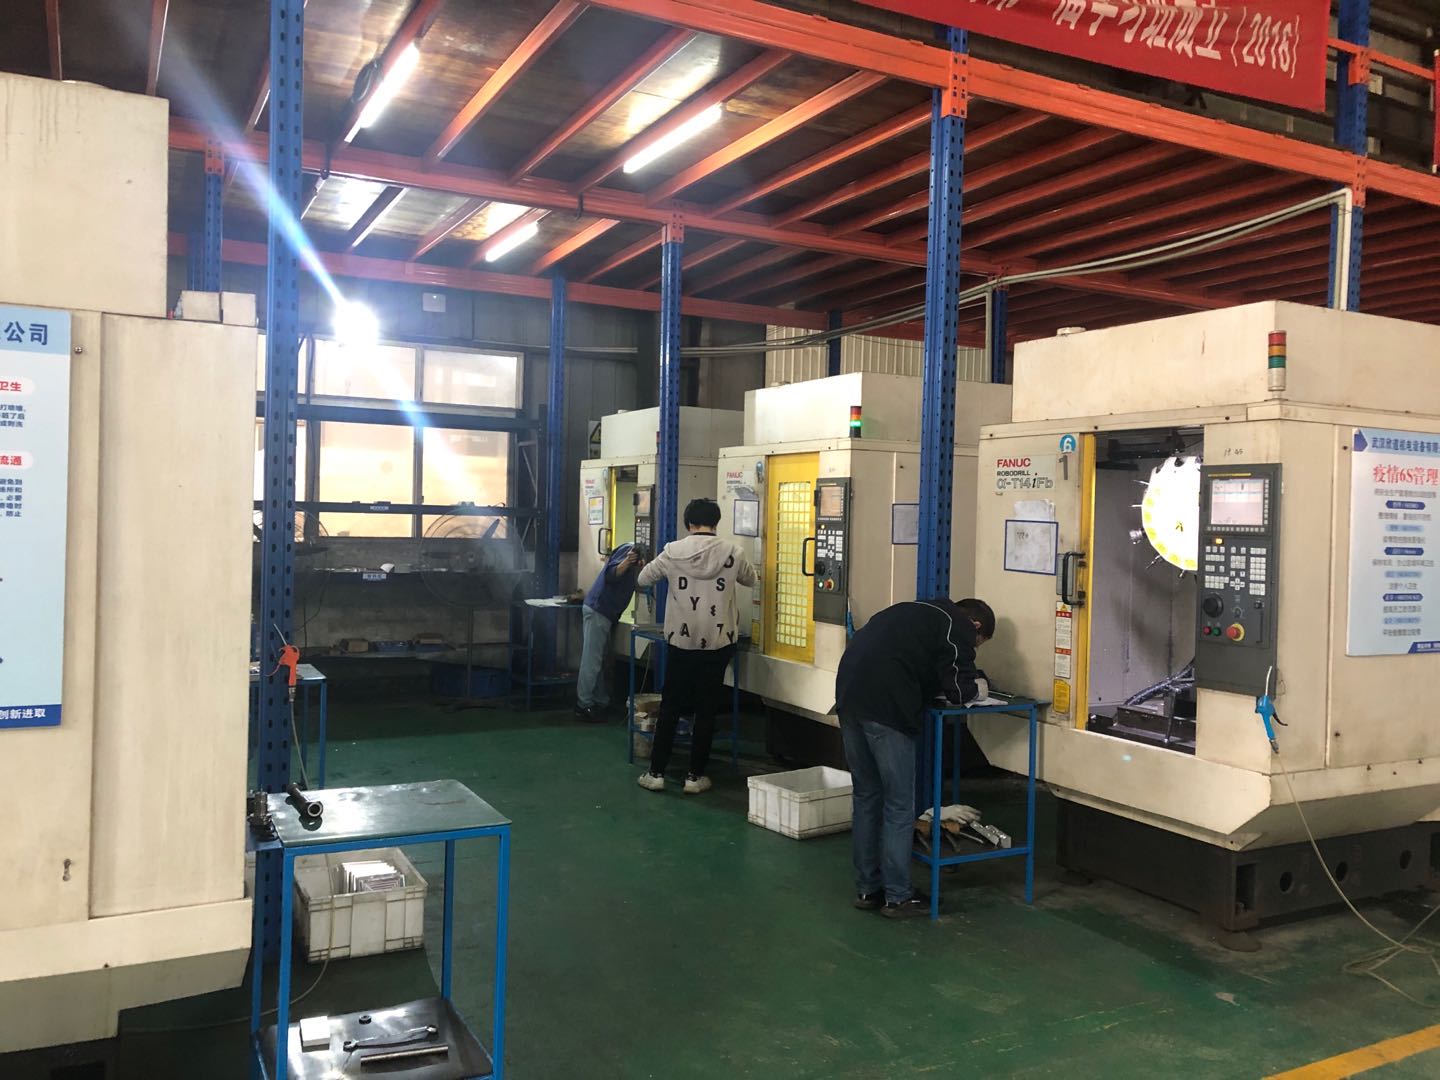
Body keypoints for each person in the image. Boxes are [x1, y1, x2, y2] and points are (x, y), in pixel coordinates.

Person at [834, 597, 995, 920]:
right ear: (976, 626)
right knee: (898, 805)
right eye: (978, 643)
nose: (972, 647)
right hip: (887, 709)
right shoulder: (957, 625)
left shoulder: (915, 612)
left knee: (866, 796)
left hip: (849, 698)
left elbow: (922, 665)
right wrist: (981, 686)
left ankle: (868, 889)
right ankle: (898, 897)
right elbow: (960, 691)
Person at [634, 498, 756, 794]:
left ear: (689, 523)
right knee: (706, 708)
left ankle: (656, 773)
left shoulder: (672, 552)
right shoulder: (733, 552)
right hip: (718, 641)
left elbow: (643, 578)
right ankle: (695, 776)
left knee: (671, 705)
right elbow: (750, 579)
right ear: (716, 523)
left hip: (682, 640)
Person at [575, 542, 644, 723]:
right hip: (599, 610)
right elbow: (611, 574)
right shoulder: (629, 550)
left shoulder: (637, 559)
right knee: (592, 660)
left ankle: (600, 701)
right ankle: (583, 704)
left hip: (604, 612)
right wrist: (627, 562)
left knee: (597, 659)